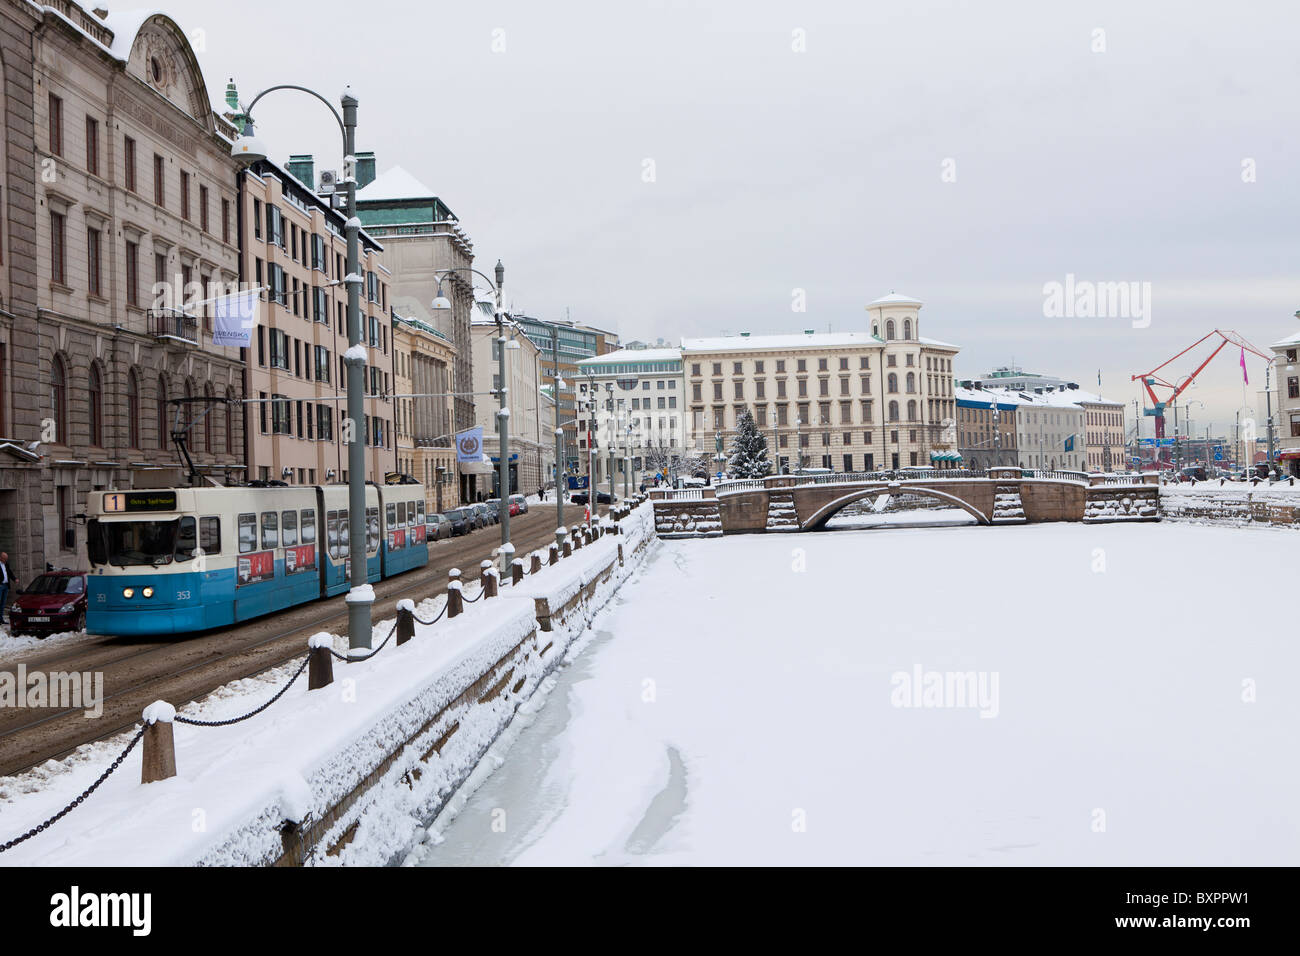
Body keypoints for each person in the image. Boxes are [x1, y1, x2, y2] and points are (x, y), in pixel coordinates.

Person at [0, 552, 13, 623]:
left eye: (6, 559)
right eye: (4, 559)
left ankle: (1, 619)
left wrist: (14, 579)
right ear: (1, 558)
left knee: (3, 603)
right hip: (0, 585)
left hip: (6, 585)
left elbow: (9, 572)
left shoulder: (6, 564)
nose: (5, 560)